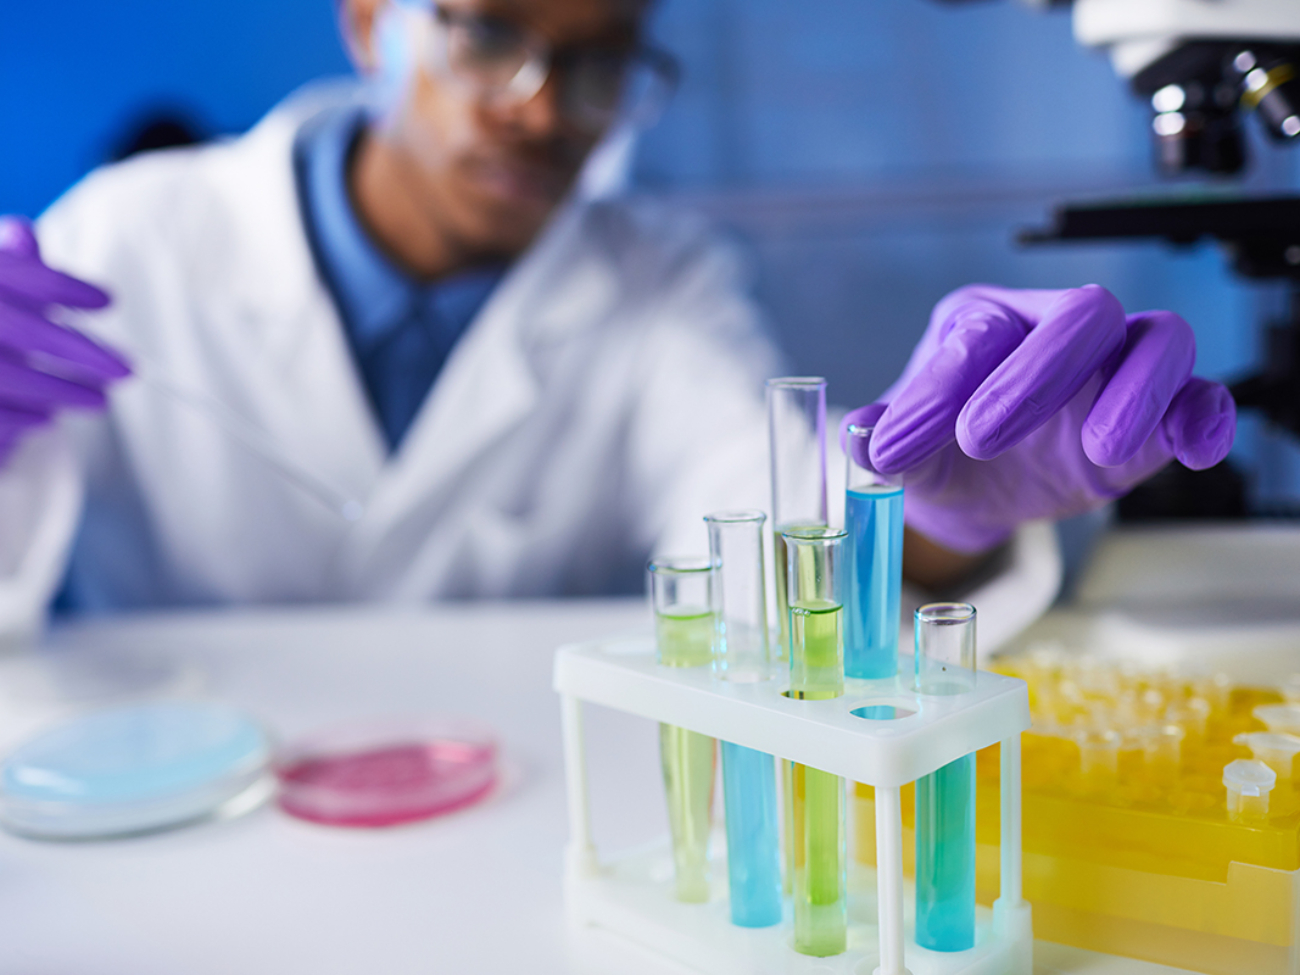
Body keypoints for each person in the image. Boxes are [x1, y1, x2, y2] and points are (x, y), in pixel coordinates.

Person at [0, 0, 1234, 646]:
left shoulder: (658, 284)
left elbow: (759, 520)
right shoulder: (128, 237)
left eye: (596, 65)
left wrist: (917, 518)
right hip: (170, 809)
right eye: (487, 33)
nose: (543, 112)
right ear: (374, 19)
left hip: (502, 809)